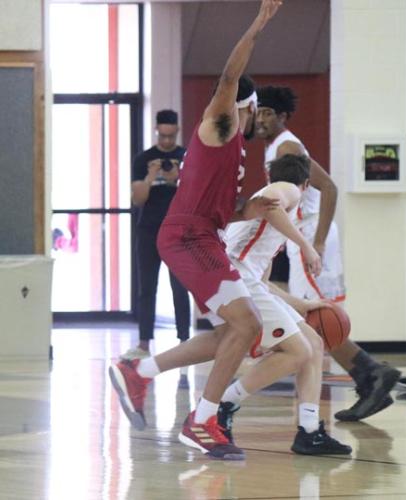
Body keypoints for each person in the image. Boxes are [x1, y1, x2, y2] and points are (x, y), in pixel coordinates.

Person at [109, 0, 283, 461]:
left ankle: (141, 371)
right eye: (257, 110)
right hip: (187, 236)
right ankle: (203, 420)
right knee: (247, 325)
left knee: (237, 330)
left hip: (203, 235)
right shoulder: (221, 125)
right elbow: (229, 78)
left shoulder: (235, 157)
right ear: (249, 106)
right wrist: (260, 23)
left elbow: (223, 208)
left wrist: (253, 208)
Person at [255, 85, 401, 421]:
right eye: (258, 112)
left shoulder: (287, 146)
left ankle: (370, 372)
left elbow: (329, 186)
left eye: (267, 113)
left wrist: (316, 242)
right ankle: (368, 375)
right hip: (301, 236)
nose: (261, 119)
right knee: (313, 319)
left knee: (315, 318)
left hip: (309, 235)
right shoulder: (275, 147)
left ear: (282, 117)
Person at [218, 154, 351, 456]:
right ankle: (222, 403)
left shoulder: (271, 213)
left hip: (243, 279)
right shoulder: (287, 188)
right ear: (307, 184)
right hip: (236, 276)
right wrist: (306, 246)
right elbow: (270, 200)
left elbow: (262, 284)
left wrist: (300, 305)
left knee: (313, 343)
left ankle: (309, 430)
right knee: (298, 350)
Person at [121, 109, 191, 361]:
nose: (166, 142)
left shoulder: (186, 157)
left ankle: (184, 339)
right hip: (148, 230)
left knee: (180, 287)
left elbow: (193, 195)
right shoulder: (143, 160)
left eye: (171, 136)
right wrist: (151, 176)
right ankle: (143, 343)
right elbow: (138, 199)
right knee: (147, 287)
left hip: (177, 232)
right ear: (156, 131)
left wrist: (176, 178)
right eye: (162, 136)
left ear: (177, 132)